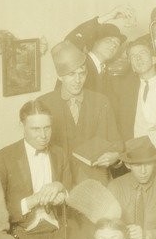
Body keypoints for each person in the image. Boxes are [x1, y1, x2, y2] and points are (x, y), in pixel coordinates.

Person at [0, 100, 71, 239]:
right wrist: (31, 201)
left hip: (58, 230)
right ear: (22, 126)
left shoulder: (60, 154)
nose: (43, 135)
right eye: (36, 129)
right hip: (25, 233)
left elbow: (71, 189)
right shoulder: (3, 157)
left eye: (47, 128)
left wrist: (61, 191)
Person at [39, 40, 124, 185]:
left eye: (82, 74)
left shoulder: (101, 101)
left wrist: (114, 156)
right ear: (60, 76)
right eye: (71, 74)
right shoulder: (44, 104)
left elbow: (117, 142)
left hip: (96, 181)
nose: (78, 80)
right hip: (59, 183)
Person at [109, 38, 156, 166]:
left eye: (142, 53)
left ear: (154, 59)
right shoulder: (124, 92)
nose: (138, 58)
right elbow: (117, 126)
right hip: (134, 158)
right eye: (133, 57)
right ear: (132, 66)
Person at [64, 5, 130, 95]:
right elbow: (70, 42)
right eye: (109, 40)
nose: (114, 45)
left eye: (117, 43)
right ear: (95, 42)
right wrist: (109, 16)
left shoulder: (107, 71)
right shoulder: (79, 62)